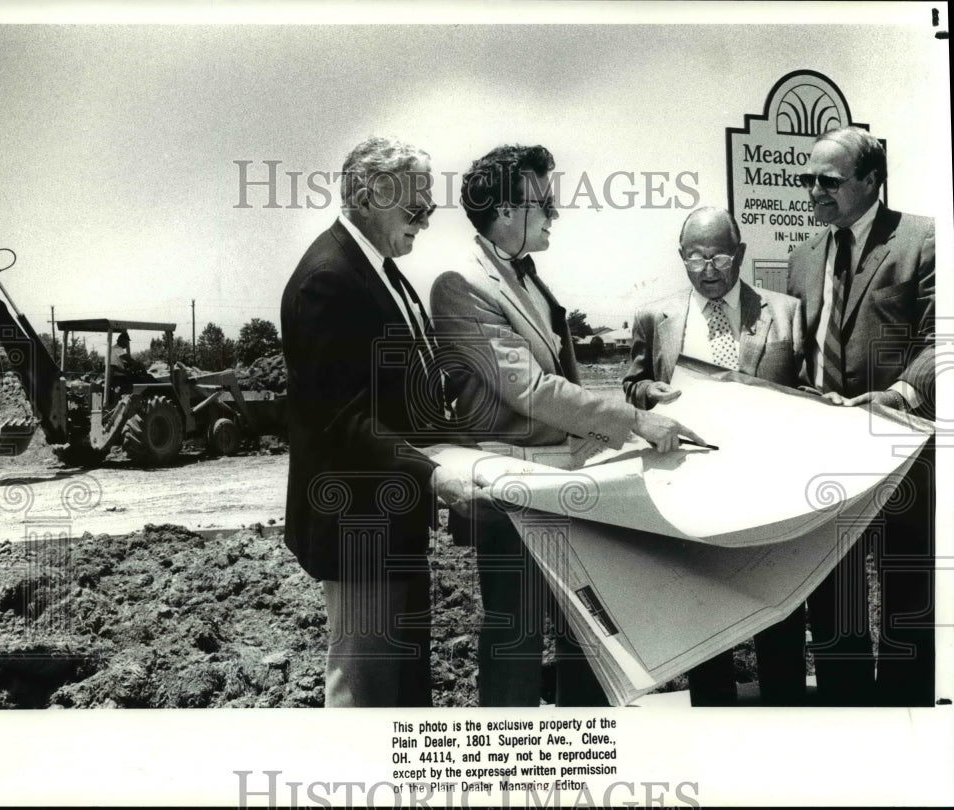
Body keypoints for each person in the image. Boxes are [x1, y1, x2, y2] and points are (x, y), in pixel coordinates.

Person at [430, 144, 702, 706]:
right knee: (516, 633)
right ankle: (508, 775)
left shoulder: (527, 280)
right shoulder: (461, 284)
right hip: (511, 488)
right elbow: (529, 389)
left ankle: (587, 766)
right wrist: (634, 420)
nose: (554, 212)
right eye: (544, 201)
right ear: (506, 210)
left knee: (587, 629)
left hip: (563, 484)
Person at [280, 136, 487, 707]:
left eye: (429, 208)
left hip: (389, 515)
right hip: (356, 525)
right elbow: (343, 419)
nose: (424, 219)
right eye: (415, 206)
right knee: (366, 689)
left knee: (402, 684)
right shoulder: (329, 278)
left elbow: (402, 387)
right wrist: (433, 474)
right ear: (371, 195)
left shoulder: (380, 270)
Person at [622, 206, 807, 705]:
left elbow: (809, 391)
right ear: (681, 257)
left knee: (780, 607)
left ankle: (787, 712)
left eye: (719, 257)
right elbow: (632, 383)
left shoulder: (786, 311)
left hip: (772, 487)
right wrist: (646, 392)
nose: (707, 269)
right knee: (704, 606)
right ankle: (713, 718)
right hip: (695, 487)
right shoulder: (654, 317)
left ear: (740, 254)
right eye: (695, 257)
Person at [786, 126, 935, 706]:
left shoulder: (924, 240)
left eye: (828, 180)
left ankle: (907, 722)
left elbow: (940, 340)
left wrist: (899, 395)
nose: (813, 191)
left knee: (905, 591)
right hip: (826, 456)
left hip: (901, 448)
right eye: (808, 180)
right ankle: (844, 716)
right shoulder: (803, 256)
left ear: (872, 181)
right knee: (833, 590)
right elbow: (796, 347)